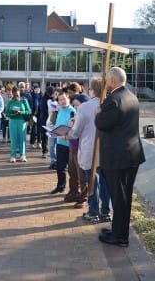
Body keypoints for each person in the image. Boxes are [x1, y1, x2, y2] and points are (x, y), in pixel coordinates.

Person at [95, 67, 145, 247]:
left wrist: (98, 114)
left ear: (114, 81)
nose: (106, 82)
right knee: (124, 197)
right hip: (132, 154)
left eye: (107, 79)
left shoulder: (113, 100)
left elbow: (103, 123)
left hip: (117, 158)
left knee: (118, 197)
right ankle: (119, 230)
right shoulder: (132, 96)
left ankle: (120, 237)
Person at [66, 78, 111, 219]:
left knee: (91, 181)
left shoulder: (84, 107)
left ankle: (93, 212)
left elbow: (76, 131)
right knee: (104, 182)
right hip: (106, 150)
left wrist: (68, 132)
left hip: (89, 150)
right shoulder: (109, 105)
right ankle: (105, 211)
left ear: (92, 90)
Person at [50, 92, 75, 194]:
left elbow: (74, 128)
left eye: (64, 99)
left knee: (72, 170)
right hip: (60, 142)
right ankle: (60, 186)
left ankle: (73, 190)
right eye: (60, 100)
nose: (62, 101)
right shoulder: (60, 110)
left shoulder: (72, 111)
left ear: (68, 99)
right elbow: (58, 124)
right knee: (60, 167)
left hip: (70, 144)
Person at [5, 86, 32, 162]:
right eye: (15, 93)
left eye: (17, 92)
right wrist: (13, 114)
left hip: (22, 122)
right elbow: (6, 113)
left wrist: (21, 112)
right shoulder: (10, 101)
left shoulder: (24, 100)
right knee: (13, 139)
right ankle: (13, 156)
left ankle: (22, 155)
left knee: (22, 139)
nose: (16, 94)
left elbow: (29, 111)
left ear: (19, 92)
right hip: (12, 121)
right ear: (13, 93)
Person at [38, 86, 54, 158]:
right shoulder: (43, 99)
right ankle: (45, 151)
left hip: (52, 120)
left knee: (52, 137)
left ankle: (52, 152)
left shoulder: (53, 99)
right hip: (44, 120)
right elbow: (42, 110)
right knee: (44, 136)